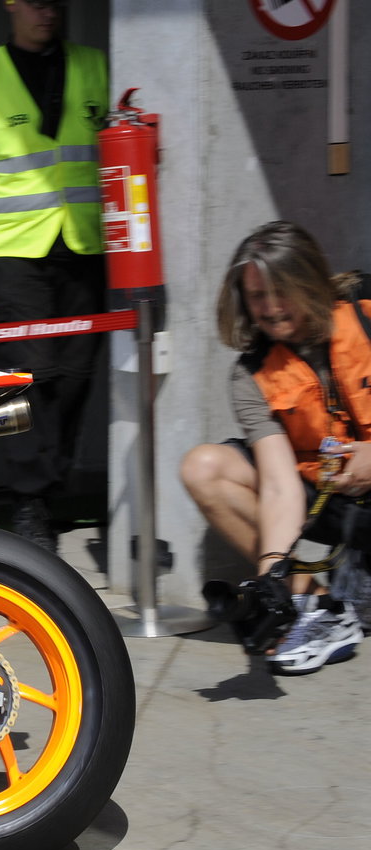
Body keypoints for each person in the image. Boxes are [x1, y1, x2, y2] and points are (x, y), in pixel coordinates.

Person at [0, 0, 109, 552]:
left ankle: (49, 485)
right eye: (35, 2)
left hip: (83, 245)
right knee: (28, 377)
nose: (48, 12)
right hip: (11, 252)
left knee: (75, 376)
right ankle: (30, 500)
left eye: (55, 2)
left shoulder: (95, 67)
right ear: (11, 5)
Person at [180, 221, 366, 675]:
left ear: (309, 280)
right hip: (330, 500)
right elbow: (281, 485)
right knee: (204, 467)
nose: (270, 308)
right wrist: (272, 577)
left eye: (281, 291)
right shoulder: (251, 374)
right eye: (257, 296)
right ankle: (317, 606)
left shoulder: (364, 311)